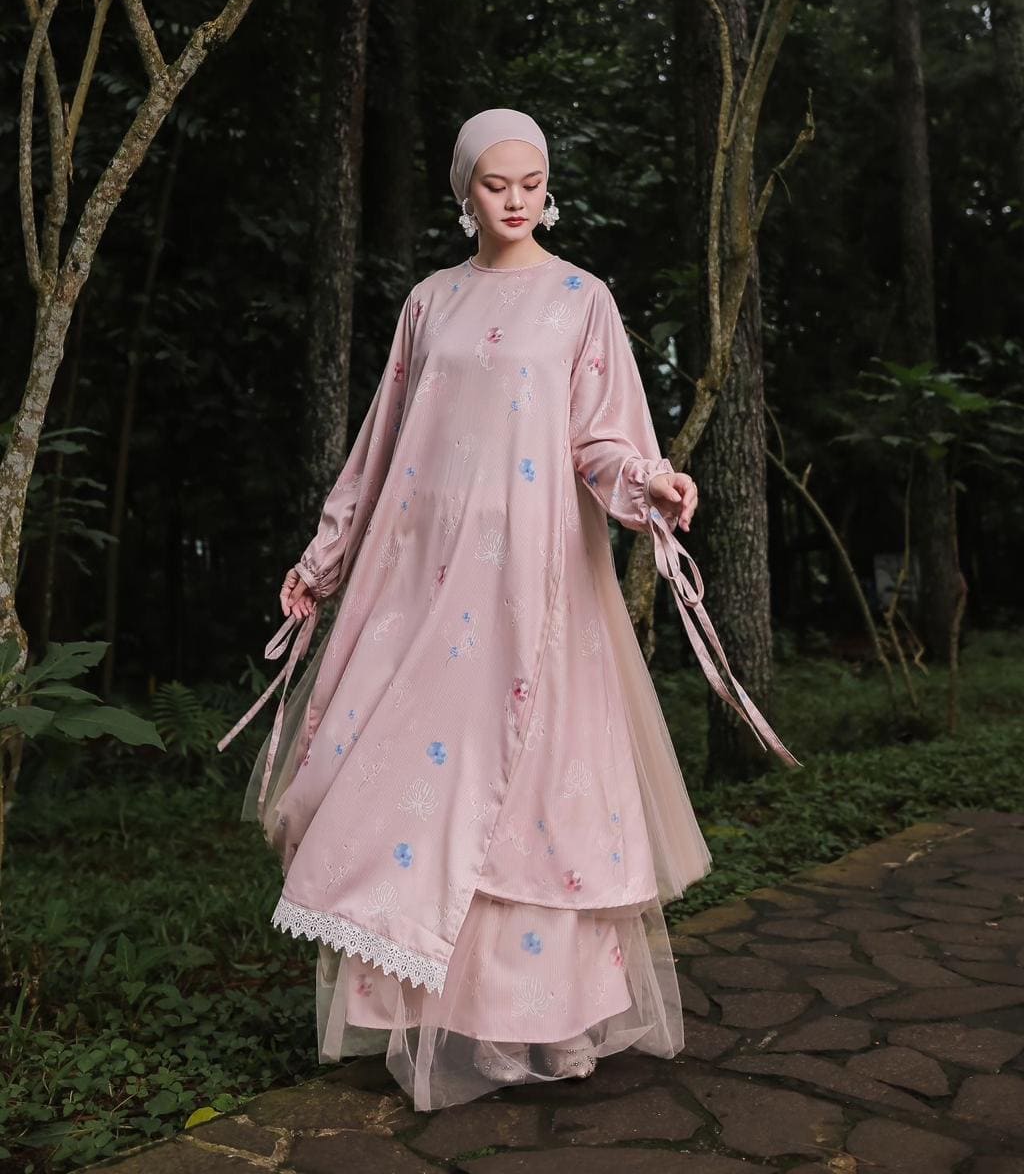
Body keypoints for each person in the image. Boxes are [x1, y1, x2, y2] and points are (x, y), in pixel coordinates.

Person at [218, 107, 797, 1112]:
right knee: (416, 785)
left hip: (537, 585)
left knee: (533, 794)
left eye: (531, 181)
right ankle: (437, 1017)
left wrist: (648, 482)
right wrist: (325, 557)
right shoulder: (430, 303)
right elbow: (380, 441)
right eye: (496, 183)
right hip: (423, 580)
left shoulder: (581, 299)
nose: (517, 198)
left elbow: (601, 439)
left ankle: (541, 1022)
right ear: (464, 191)